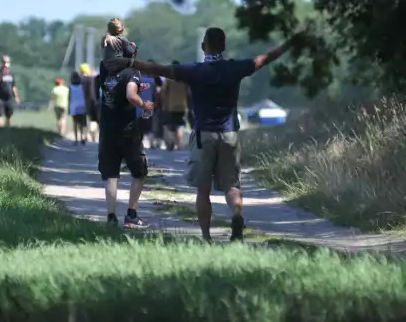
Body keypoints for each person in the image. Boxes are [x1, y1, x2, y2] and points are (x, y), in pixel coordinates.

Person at [104, 27, 290, 241]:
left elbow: (158, 69)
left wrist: (128, 63)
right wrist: (286, 45)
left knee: (203, 190)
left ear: (203, 46)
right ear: (225, 46)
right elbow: (264, 59)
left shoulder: (195, 71)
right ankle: (237, 214)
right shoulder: (235, 68)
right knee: (232, 186)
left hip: (204, 136)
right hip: (230, 134)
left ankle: (206, 236)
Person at [99, 25, 153, 228]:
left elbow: (104, 48)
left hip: (107, 130)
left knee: (111, 175)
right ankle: (131, 214)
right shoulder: (132, 72)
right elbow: (131, 95)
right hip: (128, 130)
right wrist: (144, 104)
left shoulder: (104, 70)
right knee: (139, 171)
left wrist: (107, 37)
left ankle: (111, 217)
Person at [161, 60, 189, 150]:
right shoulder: (185, 78)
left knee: (169, 125)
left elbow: (164, 91)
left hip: (171, 106)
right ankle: (179, 142)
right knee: (180, 125)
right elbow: (189, 92)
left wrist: (164, 104)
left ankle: (172, 140)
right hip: (182, 106)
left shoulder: (169, 78)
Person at [0, 55, 20, 127]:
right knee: (0, 117)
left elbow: (13, 86)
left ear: (9, 63)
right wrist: (2, 73)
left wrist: (16, 96)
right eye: (4, 62)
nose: (5, 64)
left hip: (9, 98)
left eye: (7, 62)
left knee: (9, 118)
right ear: (1, 63)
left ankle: (7, 132)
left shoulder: (11, 74)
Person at [80, 63, 100, 143]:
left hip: (87, 102)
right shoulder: (95, 79)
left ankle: (90, 136)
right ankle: (94, 137)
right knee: (95, 121)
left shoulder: (83, 80)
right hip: (95, 102)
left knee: (91, 120)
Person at [69, 71, 88, 145]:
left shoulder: (70, 87)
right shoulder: (82, 86)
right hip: (82, 106)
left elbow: (69, 98)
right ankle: (83, 137)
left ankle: (76, 139)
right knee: (83, 123)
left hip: (74, 107)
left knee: (75, 123)